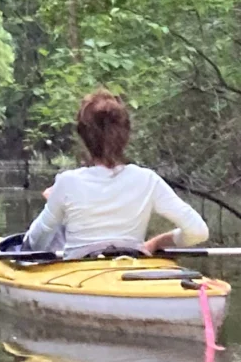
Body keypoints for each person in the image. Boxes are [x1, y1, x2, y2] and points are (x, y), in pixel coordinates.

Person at [23, 90, 210, 257]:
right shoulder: (147, 180)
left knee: (54, 234)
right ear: (126, 134)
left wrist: (56, 205)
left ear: (83, 136)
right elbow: (198, 232)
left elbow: (34, 243)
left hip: (78, 274)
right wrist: (155, 244)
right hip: (130, 267)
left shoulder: (66, 182)